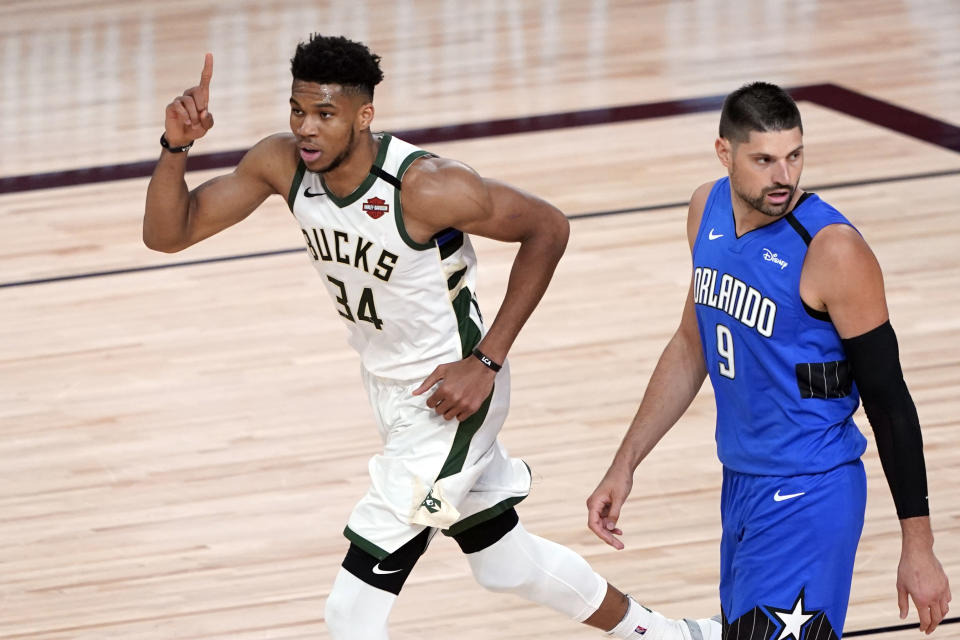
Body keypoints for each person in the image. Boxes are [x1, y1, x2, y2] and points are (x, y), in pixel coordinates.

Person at [143, 34, 719, 640]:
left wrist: (487, 360)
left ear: (364, 116)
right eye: (298, 111)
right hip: (388, 387)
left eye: (325, 115)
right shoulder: (281, 163)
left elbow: (548, 228)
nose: (307, 129)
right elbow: (168, 233)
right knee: (506, 564)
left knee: (350, 611)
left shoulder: (428, 187)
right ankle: (679, 637)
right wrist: (176, 147)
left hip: (452, 397)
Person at [587, 82, 952, 638]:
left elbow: (891, 402)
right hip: (741, 485)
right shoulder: (704, 208)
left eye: (794, 156)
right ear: (724, 153)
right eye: (764, 160)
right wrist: (626, 462)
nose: (784, 176)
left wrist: (918, 546)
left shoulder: (833, 250)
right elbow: (692, 344)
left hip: (810, 493)